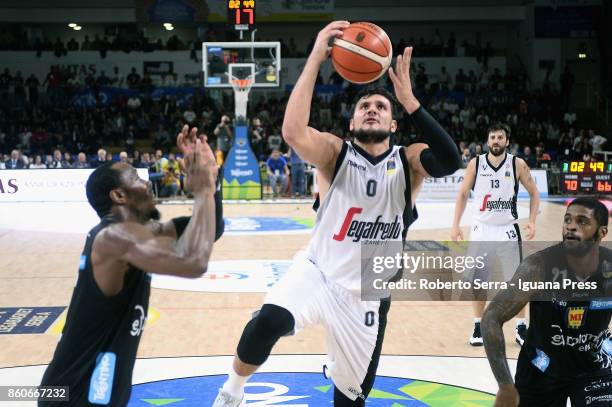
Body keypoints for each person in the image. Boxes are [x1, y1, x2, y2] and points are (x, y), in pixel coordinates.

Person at [212, 21, 461, 407]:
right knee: (270, 320)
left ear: (394, 124)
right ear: (352, 122)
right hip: (319, 272)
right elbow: (294, 132)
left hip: (367, 294)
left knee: (351, 400)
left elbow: (450, 161)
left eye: (381, 107)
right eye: (365, 106)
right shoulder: (334, 153)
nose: (372, 110)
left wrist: (410, 100)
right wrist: (315, 56)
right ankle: (232, 390)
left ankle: (339, 371)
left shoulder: (408, 161)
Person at [39, 126, 224, 406]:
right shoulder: (114, 238)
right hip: (76, 395)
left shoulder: (136, 232)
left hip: (85, 391)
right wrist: (204, 191)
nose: (146, 181)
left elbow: (211, 232)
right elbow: (194, 261)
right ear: (119, 195)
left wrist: (212, 179)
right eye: (136, 176)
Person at [482, 197, 611, 407]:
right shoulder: (538, 267)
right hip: (541, 369)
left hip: (595, 368)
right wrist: (505, 385)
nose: (571, 227)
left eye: (582, 222)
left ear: (602, 232)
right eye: (567, 220)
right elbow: (491, 317)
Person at [451, 123, 540, 346]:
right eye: (493, 137)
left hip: (508, 229)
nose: (496, 141)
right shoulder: (476, 163)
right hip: (482, 229)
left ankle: (521, 327)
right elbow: (462, 194)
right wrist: (455, 224)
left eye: (500, 137)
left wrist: (531, 221)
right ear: (487, 141)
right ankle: (478, 325)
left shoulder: (517, 164)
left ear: (507, 142)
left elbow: (534, 193)